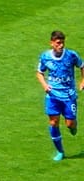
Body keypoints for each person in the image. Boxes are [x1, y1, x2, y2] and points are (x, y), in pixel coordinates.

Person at [39, 29, 82, 162]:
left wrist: (83, 80)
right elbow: (39, 72)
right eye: (58, 43)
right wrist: (45, 85)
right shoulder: (45, 57)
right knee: (53, 122)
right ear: (51, 43)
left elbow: (82, 65)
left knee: (69, 124)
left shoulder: (71, 55)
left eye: (62, 42)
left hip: (69, 96)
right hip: (52, 96)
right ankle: (60, 151)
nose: (61, 45)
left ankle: (73, 126)